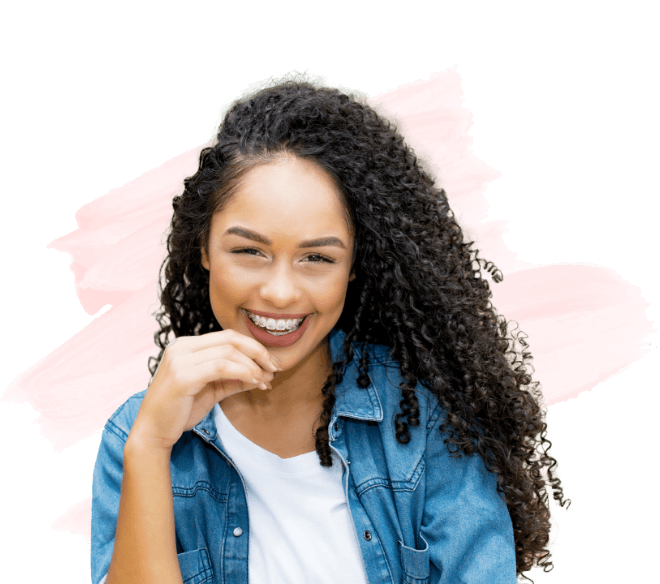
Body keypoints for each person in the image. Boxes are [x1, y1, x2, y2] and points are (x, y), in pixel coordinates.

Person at [90, 80, 569, 584]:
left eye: (317, 258)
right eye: (249, 251)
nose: (279, 292)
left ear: (354, 266)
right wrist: (150, 445)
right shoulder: (136, 434)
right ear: (204, 249)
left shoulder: (426, 420)